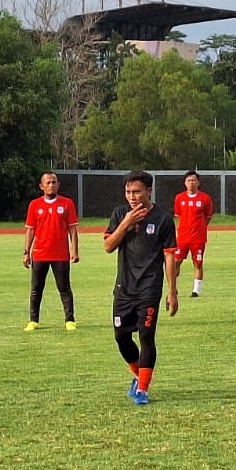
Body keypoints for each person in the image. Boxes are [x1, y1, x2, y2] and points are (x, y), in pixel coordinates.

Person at [103, 171, 180, 406]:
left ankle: (143, 390)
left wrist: (172, 291)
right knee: (121, 337)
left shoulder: (163, 220)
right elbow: (108, 246)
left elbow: (169, 258)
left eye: (136, 192)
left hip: (149, 287)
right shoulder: (119, 213)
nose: (132, 196)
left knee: (146, 336)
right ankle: (138, 376)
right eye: (128, 192)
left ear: (149, 191)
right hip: (124, 287)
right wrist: (126, 223)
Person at [22, 171, 79, 332]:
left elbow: (72, 230)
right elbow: (30, 230)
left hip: (60, 254)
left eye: (54, 182)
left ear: (58, 185)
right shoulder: (35, 205)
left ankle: (70, 319)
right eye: (48, 182)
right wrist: (26, 252)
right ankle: (33, 320)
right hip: (40, 254)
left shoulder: (67, 204)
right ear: (41, 186)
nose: (51, 185)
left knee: (64, 288)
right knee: (36, 289)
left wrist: (74, 250)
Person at [172, 169, 214, 298]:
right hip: (183, 237)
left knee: (198, 263)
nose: (191, 183)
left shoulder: (205, 198)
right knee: (176, 262)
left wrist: (199, 228)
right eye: (189, 180)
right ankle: (174, 288)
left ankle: (196, 291)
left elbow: (208, 217)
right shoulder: (179, 198)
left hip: (198, 238)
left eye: (194, 180)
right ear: (185, 183)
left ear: (198, 182)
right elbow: (178, 216)